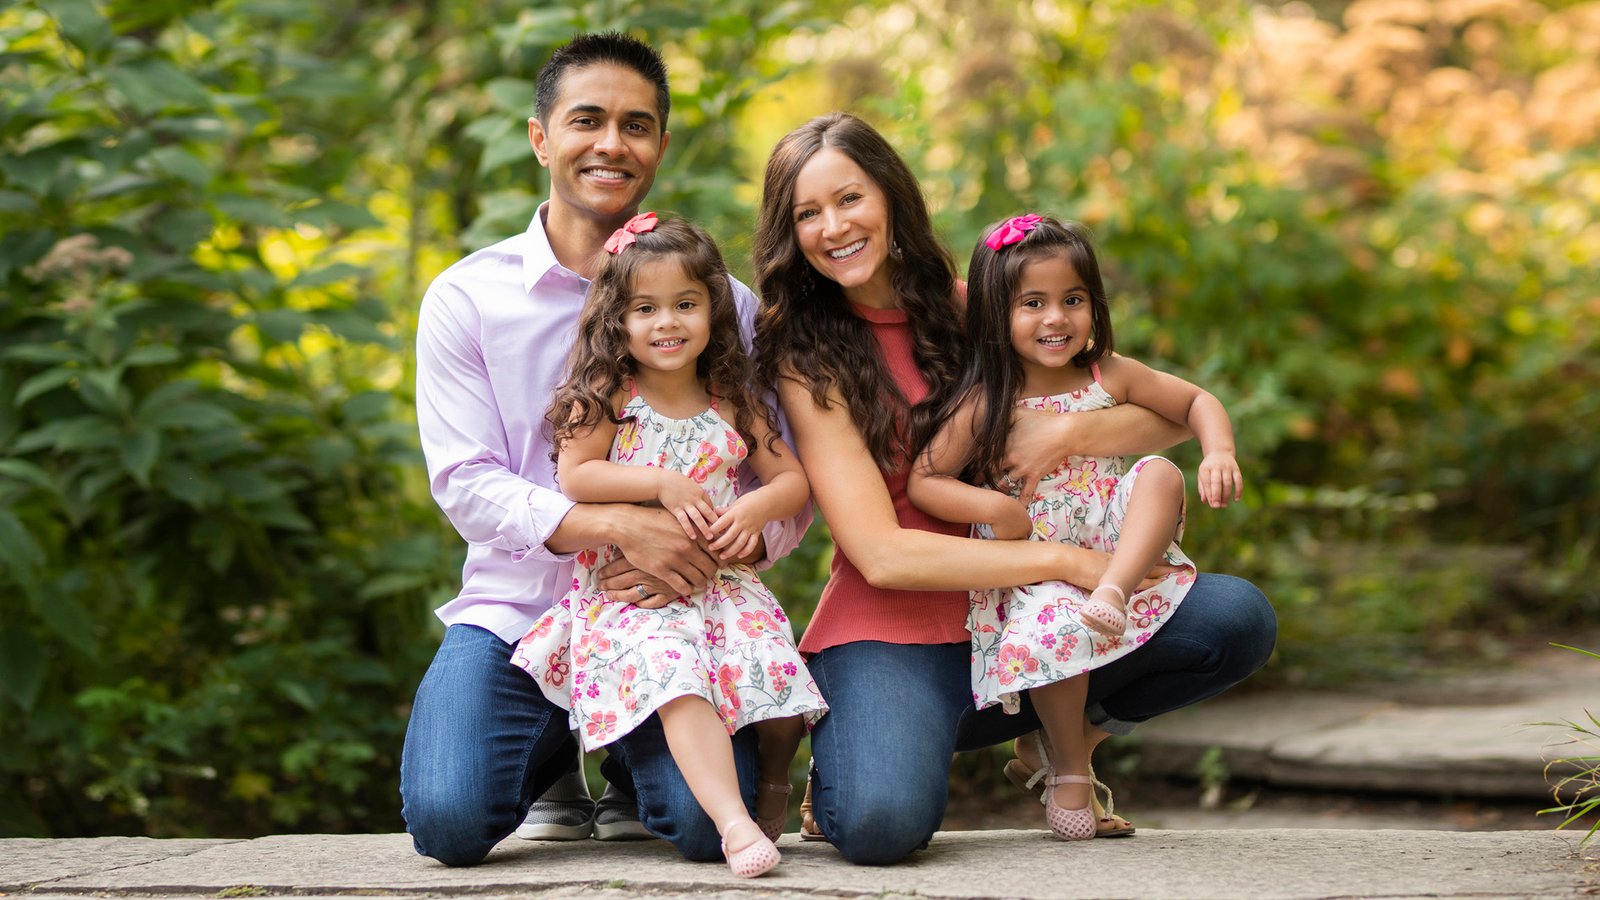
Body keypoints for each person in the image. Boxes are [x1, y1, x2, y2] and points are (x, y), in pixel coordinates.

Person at [751, 112, 1276, 865]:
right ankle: (854, 750)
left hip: (1022, 610)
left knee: (1231, 619)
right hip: (896, 620)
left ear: (892, 197)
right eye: (808, 213)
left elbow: (1165, 420)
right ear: (790, 231)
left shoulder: (991, 305)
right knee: (880, 825)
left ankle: (1062, 742)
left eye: (850, 198)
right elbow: (883, 556)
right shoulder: (808, 356)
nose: (834, 226)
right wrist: (1065, 562)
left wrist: (1067, 435)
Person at [403, 33, 808, 867]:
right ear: (542, 137)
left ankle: (632, 768)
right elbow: (465, 482)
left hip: (674, 610)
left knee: (703, 830)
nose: (611, 143)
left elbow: (774, 471)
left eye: (637, 124)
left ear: (659, 145)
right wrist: (619, 526)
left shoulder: (720, 303)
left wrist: (720, 547)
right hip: (520, 611)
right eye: (587, 120)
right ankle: (550, 757)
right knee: (447, 820)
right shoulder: (467, 297)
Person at [905, 213, 1242, 840]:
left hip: (1113, 545)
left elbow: (1195, 402)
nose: (1056, 318)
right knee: (1056, 625)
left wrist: (1218, 451)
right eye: (1032, 303)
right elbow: (926, 479)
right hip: (1036, 558)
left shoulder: (1105, 373)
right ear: (995, 315)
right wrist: (994, 509)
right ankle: (1066, 764)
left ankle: (1114, 591)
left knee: (1161, 473)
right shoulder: (987, 399)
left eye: (1072, 300)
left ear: (1094, 305)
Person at [510, 214, 825, 877]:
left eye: (685, 304)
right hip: (635, 600)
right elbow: (577, 476)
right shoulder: (605, 397)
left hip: (720, 584)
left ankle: (773, 786)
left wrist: (758, 505)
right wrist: (659, 482)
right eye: (644, 308)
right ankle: (737, 828)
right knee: (680, 682)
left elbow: (791, 479)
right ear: (615, 320)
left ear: (713, 307)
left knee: (777, 679)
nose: (667, 323)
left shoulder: (732, 399)